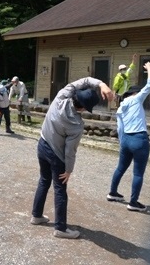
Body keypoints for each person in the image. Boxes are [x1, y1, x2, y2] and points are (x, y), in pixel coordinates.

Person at [30, 77, 113, 239]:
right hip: (56, 154)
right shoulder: (76, 124)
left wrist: (101, 84)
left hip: (42, 144)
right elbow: (70, 151)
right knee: (60, 189)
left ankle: (36, 215)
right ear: (83, 108)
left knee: (44, 180)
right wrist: (69, 170)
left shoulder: (61, 96)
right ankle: (60, 228)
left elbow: (84, 80)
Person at [107, 61, 150, 212]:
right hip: (139, 139)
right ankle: (133, 202)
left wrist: (122, 142)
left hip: (126, 139)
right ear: (134, 93)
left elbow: (120, 127)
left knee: (120, 168)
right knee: (138, 172)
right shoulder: (136, 99)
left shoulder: (121, 107)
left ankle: (112, 193)